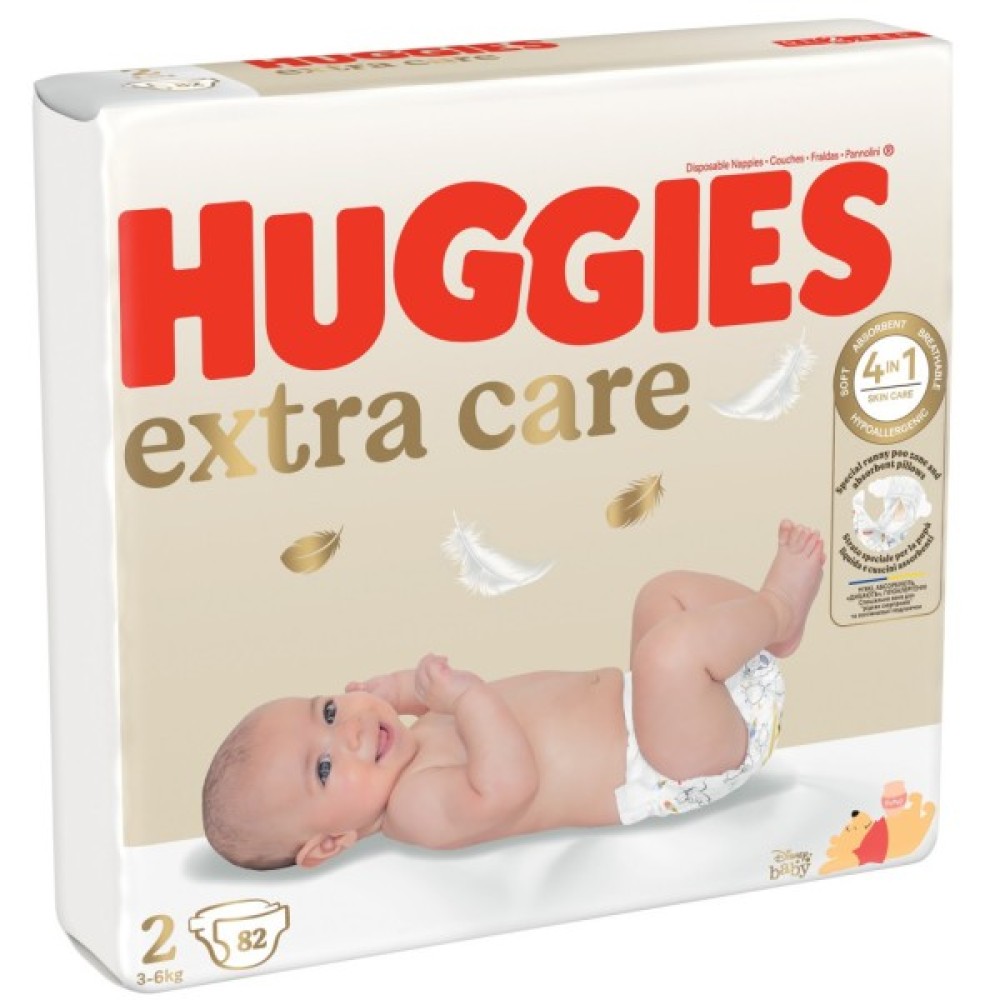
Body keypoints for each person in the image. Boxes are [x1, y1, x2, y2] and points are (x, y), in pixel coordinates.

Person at [203, 520, 825, 870]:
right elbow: (508, 786)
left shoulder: (406, 747)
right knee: (668, 654)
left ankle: (775, 632)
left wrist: (402, 690)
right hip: (670, 765)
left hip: (663, 707)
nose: (350, 731)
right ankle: (775, 606)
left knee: (660, 596)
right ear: (330, 843)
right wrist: (464, 697)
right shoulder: (414, 810)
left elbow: (402, 706)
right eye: (323, 767)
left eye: (329, 711)